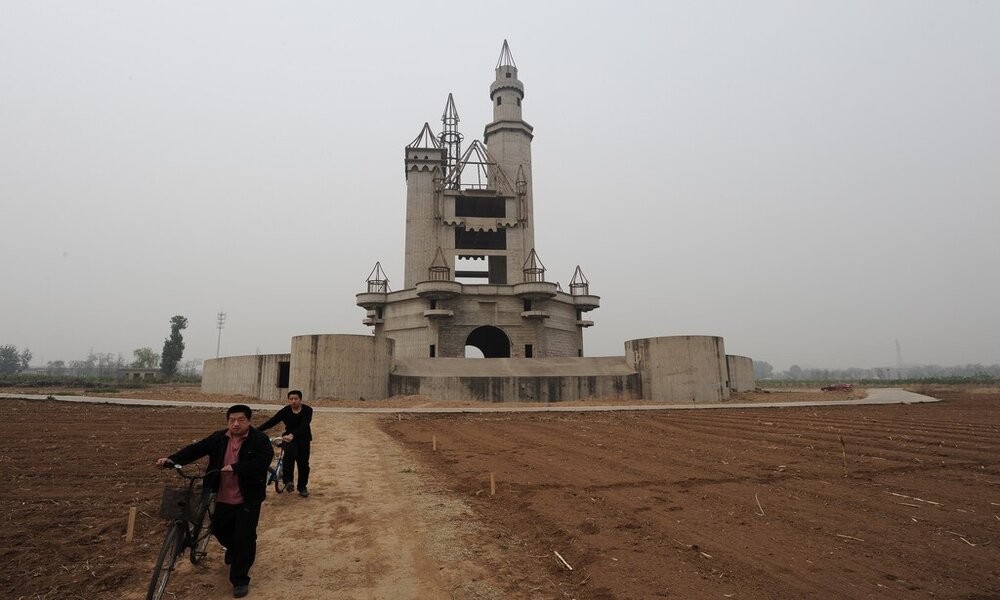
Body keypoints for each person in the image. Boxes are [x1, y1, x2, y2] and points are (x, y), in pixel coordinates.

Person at [155, 404, 273, 599]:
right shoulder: (219, 438)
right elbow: (196, 449)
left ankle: (240, 579)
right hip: (222, 495)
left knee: (244, 537)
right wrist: (171, 460)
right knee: (219, 529)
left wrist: (236, 467)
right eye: (232, 420)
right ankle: (233, 550)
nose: (235, 424)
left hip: (248, 498)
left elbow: (262, 462)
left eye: (240, 420)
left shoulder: (259, 440)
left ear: (249, 421)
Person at [258, 389, 313, 497]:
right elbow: (272, 421)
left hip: (303, 439)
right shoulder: (286, 411)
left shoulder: (307, 410)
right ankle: (289, 481)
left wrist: (293, 435)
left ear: (300, 400)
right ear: (288, 400)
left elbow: (304, 425)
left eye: (296, 399)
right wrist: (257, 431)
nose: (293, 401)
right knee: (289, 456)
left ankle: (302, 487)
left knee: (303, 464)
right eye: (291, 399)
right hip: (288, 439)